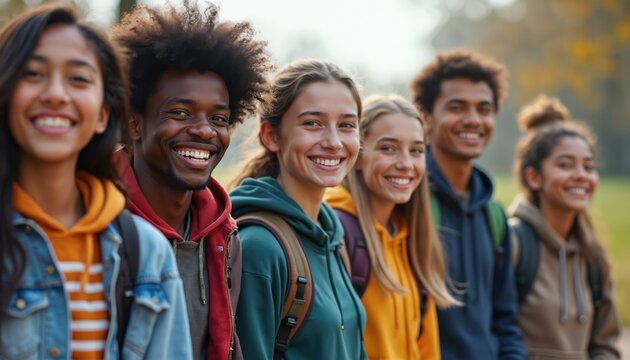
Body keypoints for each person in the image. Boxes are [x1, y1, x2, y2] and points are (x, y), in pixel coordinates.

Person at [0, 4, 191, 359]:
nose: (56, 93)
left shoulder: (146, 254)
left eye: (78, 78)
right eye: (33, 74)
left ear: (104, 114)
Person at [111, 2, 270, 359]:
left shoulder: (226, 238)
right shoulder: (97, 226)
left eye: (218, 118)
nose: (203, 131)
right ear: (135, 123)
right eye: (180, 113)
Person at [229, 59, 366, 360]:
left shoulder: (332, 238)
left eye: (346, 125)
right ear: (271, 136)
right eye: (312, 123)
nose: (333, 142)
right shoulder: (260, 249)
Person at [324, 94, 460, 359]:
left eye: (417, 150)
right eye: (388, 148)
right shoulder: (335, 233)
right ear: (359, 156)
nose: (406, 164)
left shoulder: (412, 239)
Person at [409, 49, 525, 359]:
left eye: (484, 109)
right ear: (426, 116)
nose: (474, 120)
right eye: (457, 107)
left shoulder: (493, 214)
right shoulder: (406, 203)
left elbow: (504, 318)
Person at [508, 94, 621, 359]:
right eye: (565, 165)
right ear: (534, 177)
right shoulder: (513, 244)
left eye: (588, 166)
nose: (581, 175)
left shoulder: (593, 256)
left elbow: (606, 344)